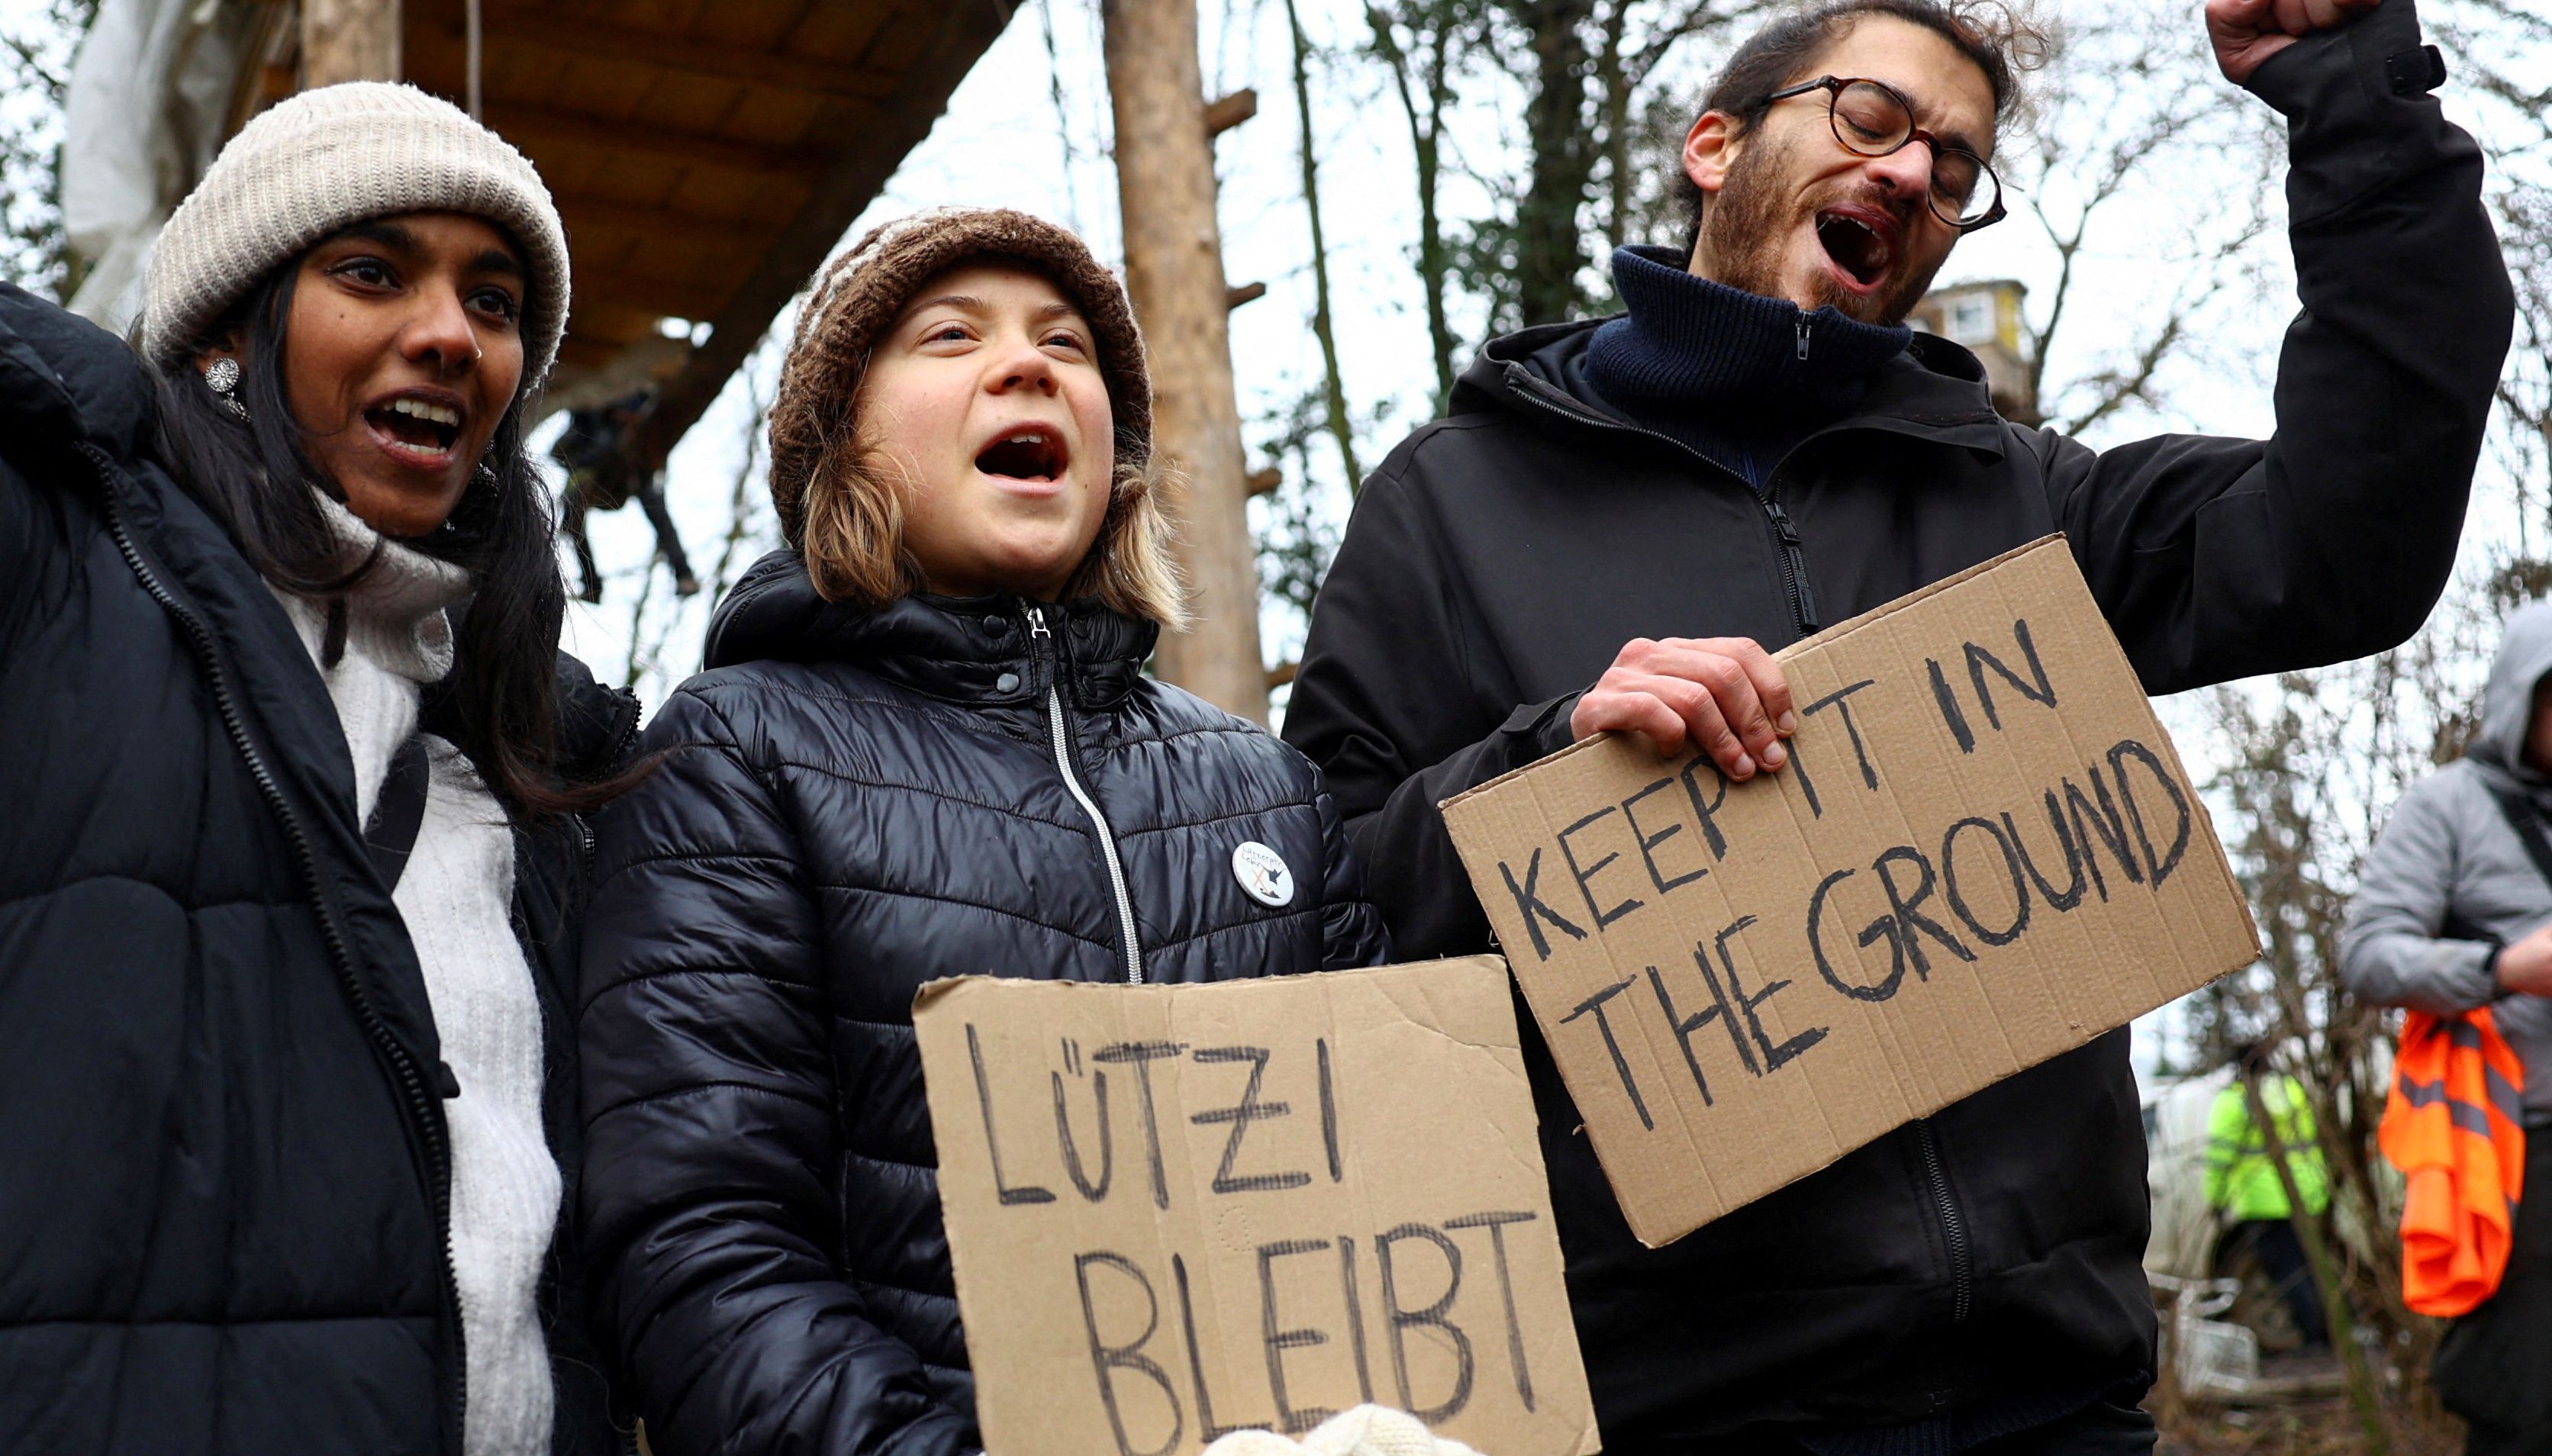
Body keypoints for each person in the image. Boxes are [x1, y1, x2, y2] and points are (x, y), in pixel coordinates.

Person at [1281, 0, 2513, 1447]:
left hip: (2054, 1400)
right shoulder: (1448, 505)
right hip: (1677, 1409)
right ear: (1713, 144)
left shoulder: (2020, 498)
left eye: (1952, 167)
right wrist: (1550, 761)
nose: (1910, 173)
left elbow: (2346, 538)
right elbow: (1331, 915)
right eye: (1870, 118)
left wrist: (2352, 92)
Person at [576, 208, 1394, 1456]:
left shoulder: (1265, 787)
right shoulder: (733, 750)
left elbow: (1404, 1195)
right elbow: (704, 1241)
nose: (1029, 367)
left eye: (1066, 346)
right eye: (951, 335)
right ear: (838, 444)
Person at [0, 82, 640, 1454]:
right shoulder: (58, 599)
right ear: (229, 331)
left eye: (495, 300)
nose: (449, 335)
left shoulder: (551, 760)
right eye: (370, 270)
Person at [2343, 599, 2552, 1454]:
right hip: (2513, 1152)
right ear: (2519, 698)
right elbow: (2365, 954)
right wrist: (2499, 969)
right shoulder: (2445, 807)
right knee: (2520, 1405)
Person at [2204, 1043, 2332, 1352]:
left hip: (2263, 1201)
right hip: (2309, 1195)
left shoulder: (2235, 1100)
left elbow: (2219, 1158)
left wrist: (2216, 1200)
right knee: (2309, 1265)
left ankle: (2313, 1338)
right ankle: (2330, 1333)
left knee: (2282, 1270)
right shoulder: (2293, 1090)